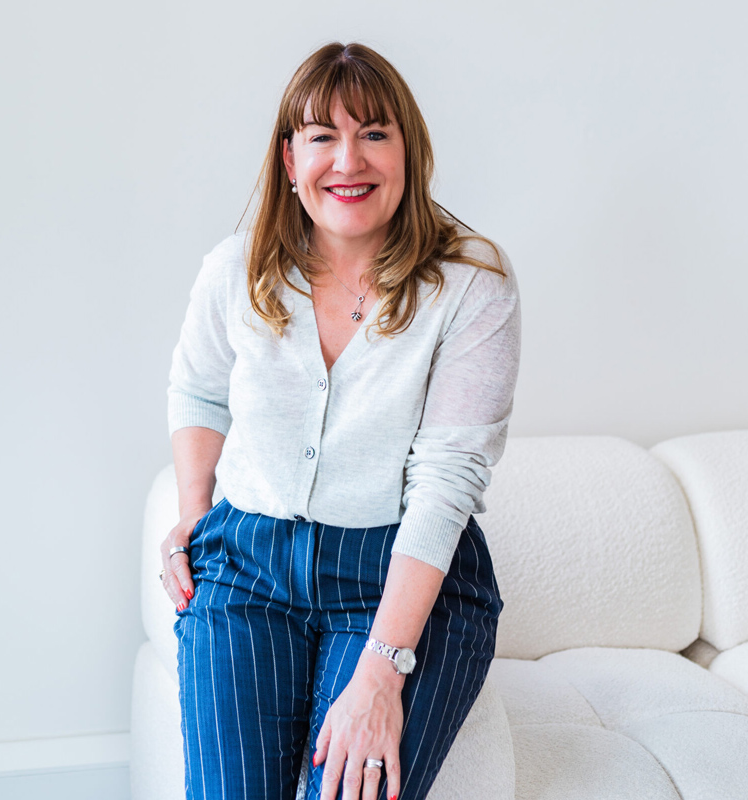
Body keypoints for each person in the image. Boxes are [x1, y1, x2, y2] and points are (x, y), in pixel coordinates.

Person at [159, 41, 521, 800]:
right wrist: (194, 518)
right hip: (248, 570)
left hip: (395, 570)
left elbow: (448, 479)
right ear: (290, 161)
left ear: (409, 154)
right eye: (323, 136)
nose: (348, 160)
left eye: (375, 134)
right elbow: (198, 390)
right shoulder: (236, 269)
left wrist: (383, 670)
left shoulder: (471, 284)